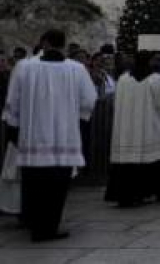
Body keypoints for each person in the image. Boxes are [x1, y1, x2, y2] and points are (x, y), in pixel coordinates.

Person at [3, 29, 97, 241]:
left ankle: (34, 225)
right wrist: (77, 118)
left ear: (44, 43)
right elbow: (89, 100)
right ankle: (49, 227)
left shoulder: (24, 67)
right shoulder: (77, 69)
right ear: (63, 44)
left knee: (33, 184)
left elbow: (13, 102)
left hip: (32, 139)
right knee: (57, 187)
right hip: (64, 139)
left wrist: (14, 126)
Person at [105, 51, 160, 207]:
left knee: (126, 161)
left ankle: (124, 194)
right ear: (149, 61)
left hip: (126, 129)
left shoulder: (123, 80)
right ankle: (146, 191)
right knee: (149, 158)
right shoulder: (155, 80)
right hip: (148, 127)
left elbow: (117, 103)